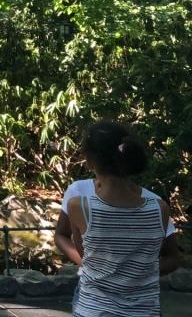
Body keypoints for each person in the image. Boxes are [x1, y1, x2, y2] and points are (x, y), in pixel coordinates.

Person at [63, 121, 172, 317]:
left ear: (89, 161)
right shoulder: (159, 208)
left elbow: (84, 254)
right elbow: (152, 258)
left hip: (94, 309)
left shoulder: (79, 206)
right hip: (145, 311)